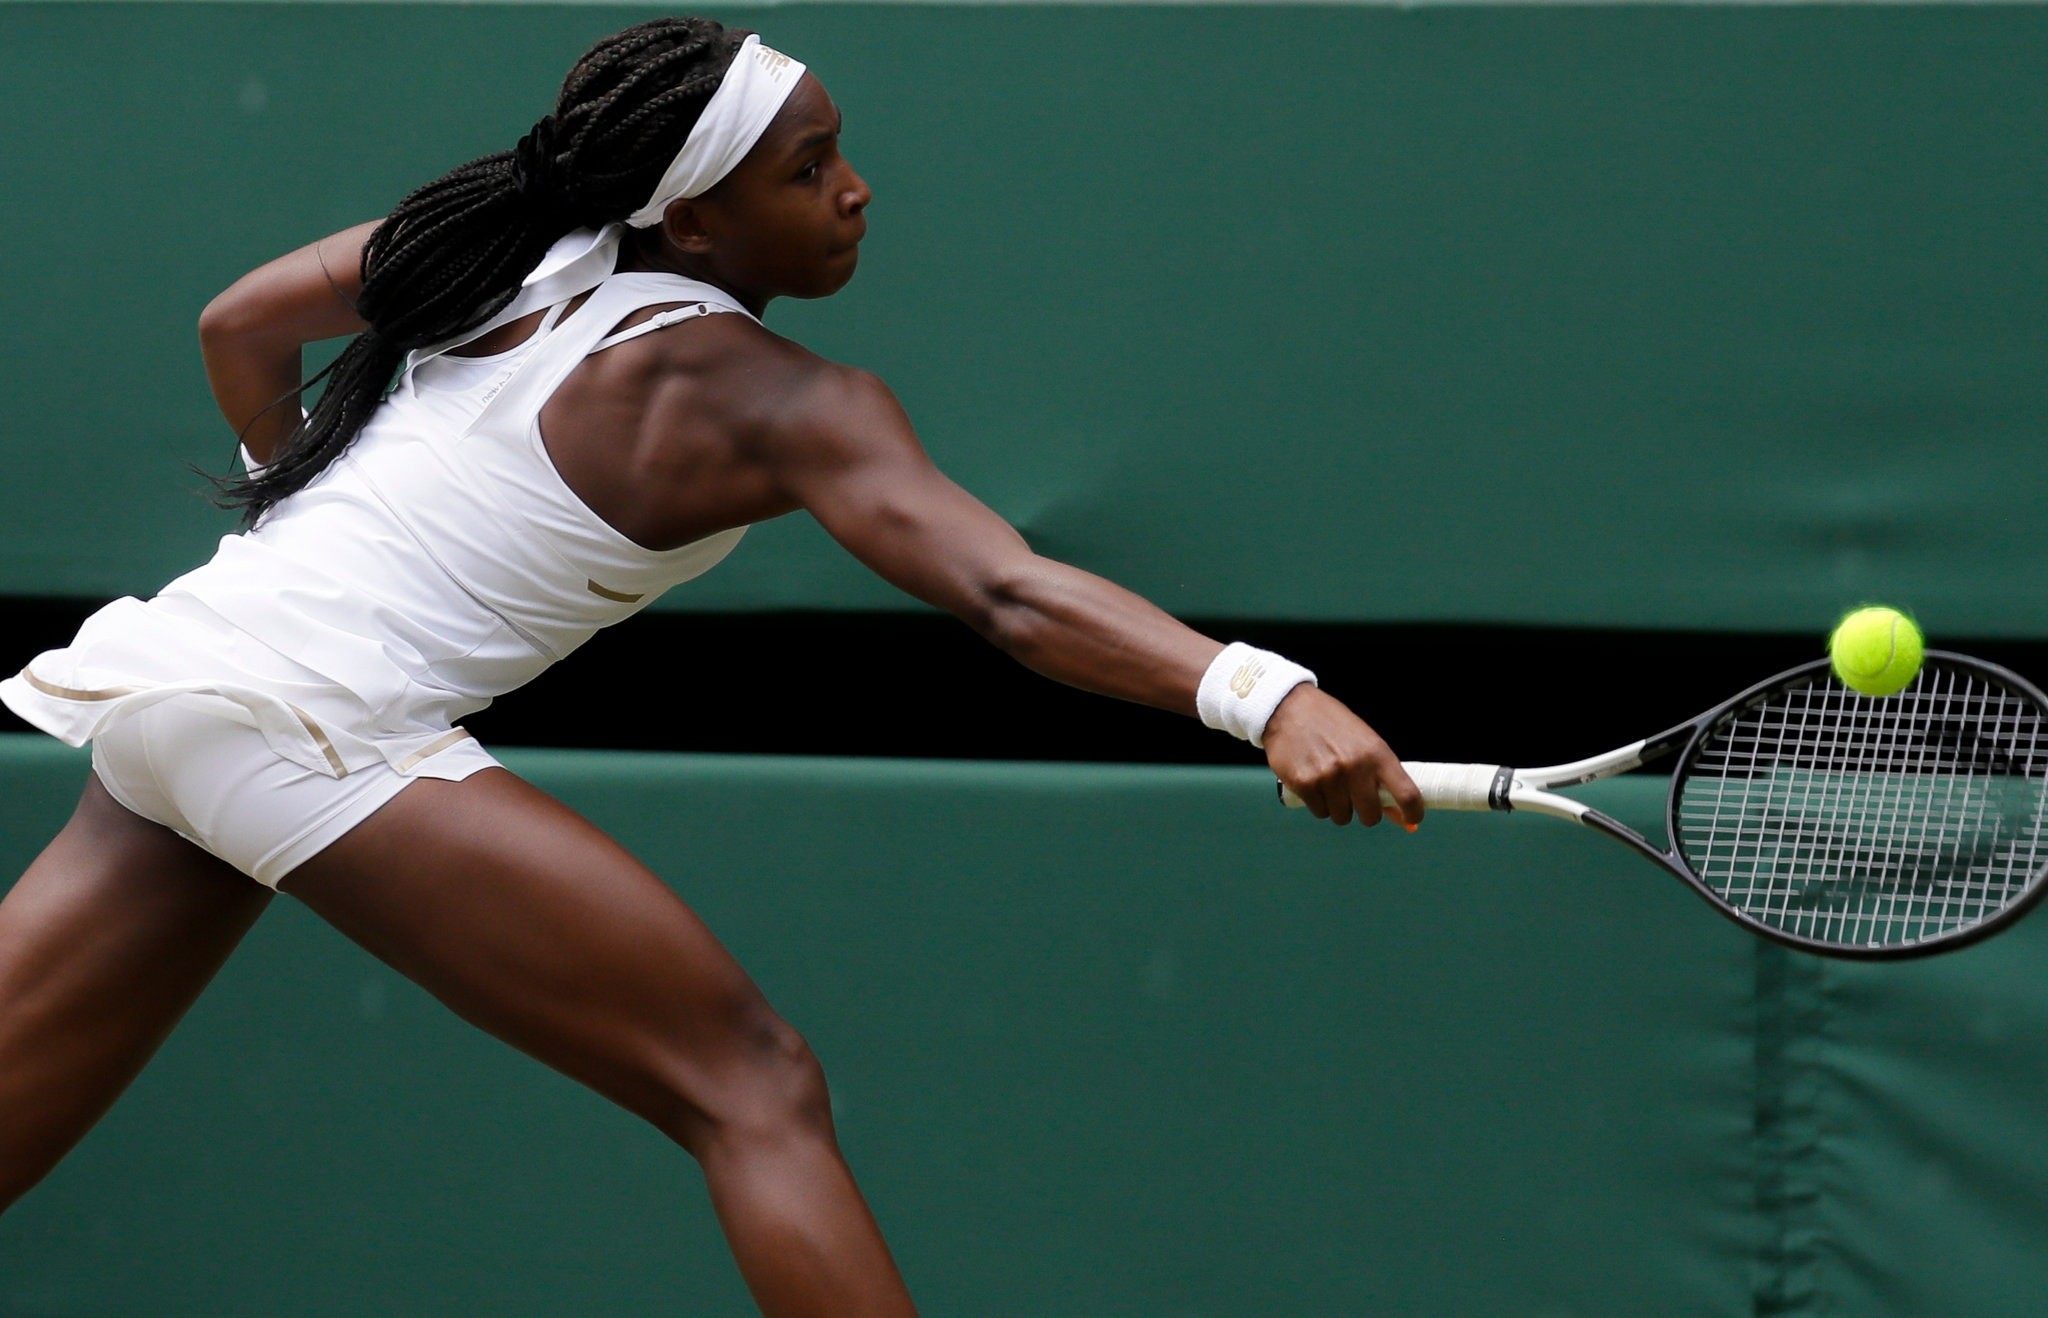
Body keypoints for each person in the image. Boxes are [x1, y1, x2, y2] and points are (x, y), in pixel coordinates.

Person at [0, 17, 1421, 1315]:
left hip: (181, 681)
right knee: (752, 1082)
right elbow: (1005, 588)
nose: (854, 190)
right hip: (302, 719)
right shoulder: (772, 398)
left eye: (840, 155)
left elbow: (236, 323)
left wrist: (288, 491)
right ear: (693, 214)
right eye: (810, 170)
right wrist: (1265, 694)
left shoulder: (501, 251)